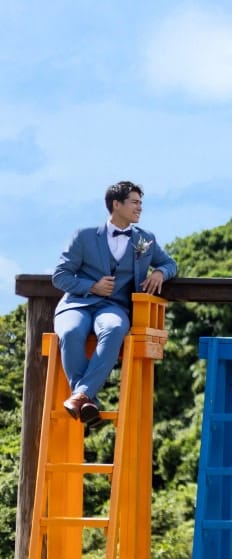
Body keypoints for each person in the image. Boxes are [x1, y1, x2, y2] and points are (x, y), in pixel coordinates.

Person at [52, 181, 178, 430]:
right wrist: (92, 286)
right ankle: (87, 400)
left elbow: (170, 263)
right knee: (70, 332)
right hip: (77, 303)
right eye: (134, 202)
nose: (139, 208)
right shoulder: (84, 236)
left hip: (113, 307)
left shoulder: (146, 239)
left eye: (141, 203)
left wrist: (160, 273)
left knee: (114, 329)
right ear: (116, 204)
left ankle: (80, 395)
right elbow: (60, 276)